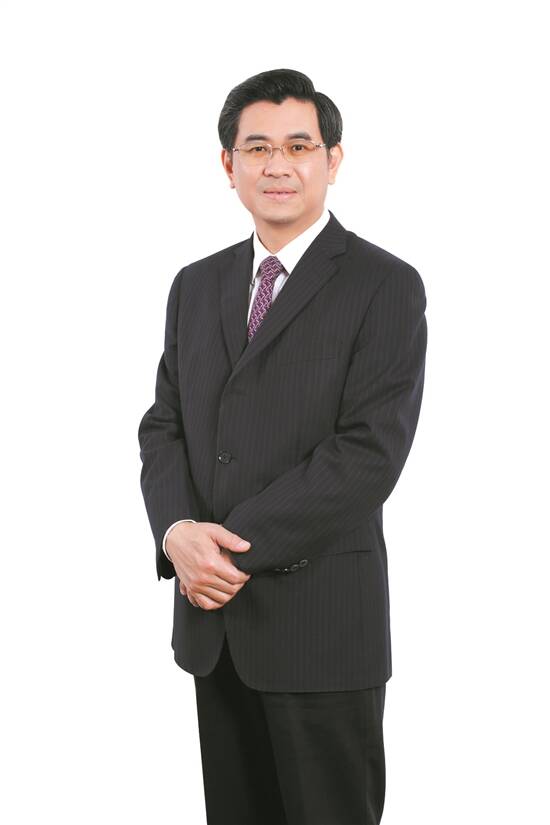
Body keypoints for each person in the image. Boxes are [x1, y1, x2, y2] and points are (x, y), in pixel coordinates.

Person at [138, 67, 428, 825]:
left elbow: (368, 453)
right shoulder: (195, 285)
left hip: (322, 628)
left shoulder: (383, 284)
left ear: (333, 159)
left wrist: (225, 550)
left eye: (299, 146)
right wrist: (176, 533)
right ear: (227, 163)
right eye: (257, 147)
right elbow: (164, 424)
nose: (278, 165)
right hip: (213, 627)